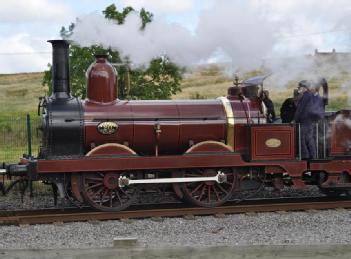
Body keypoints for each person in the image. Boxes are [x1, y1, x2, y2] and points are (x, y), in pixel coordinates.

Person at [293, 80, 316, 159]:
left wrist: (294, 120)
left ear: (304, 88)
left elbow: (300, 109)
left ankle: (305, 155)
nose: (299, 89)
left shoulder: (306, 96)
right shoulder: (310, 95)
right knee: (308, 138)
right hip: (309, 120)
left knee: (301, 138)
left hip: (305, 121)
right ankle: (312, 155)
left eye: (300, 87)